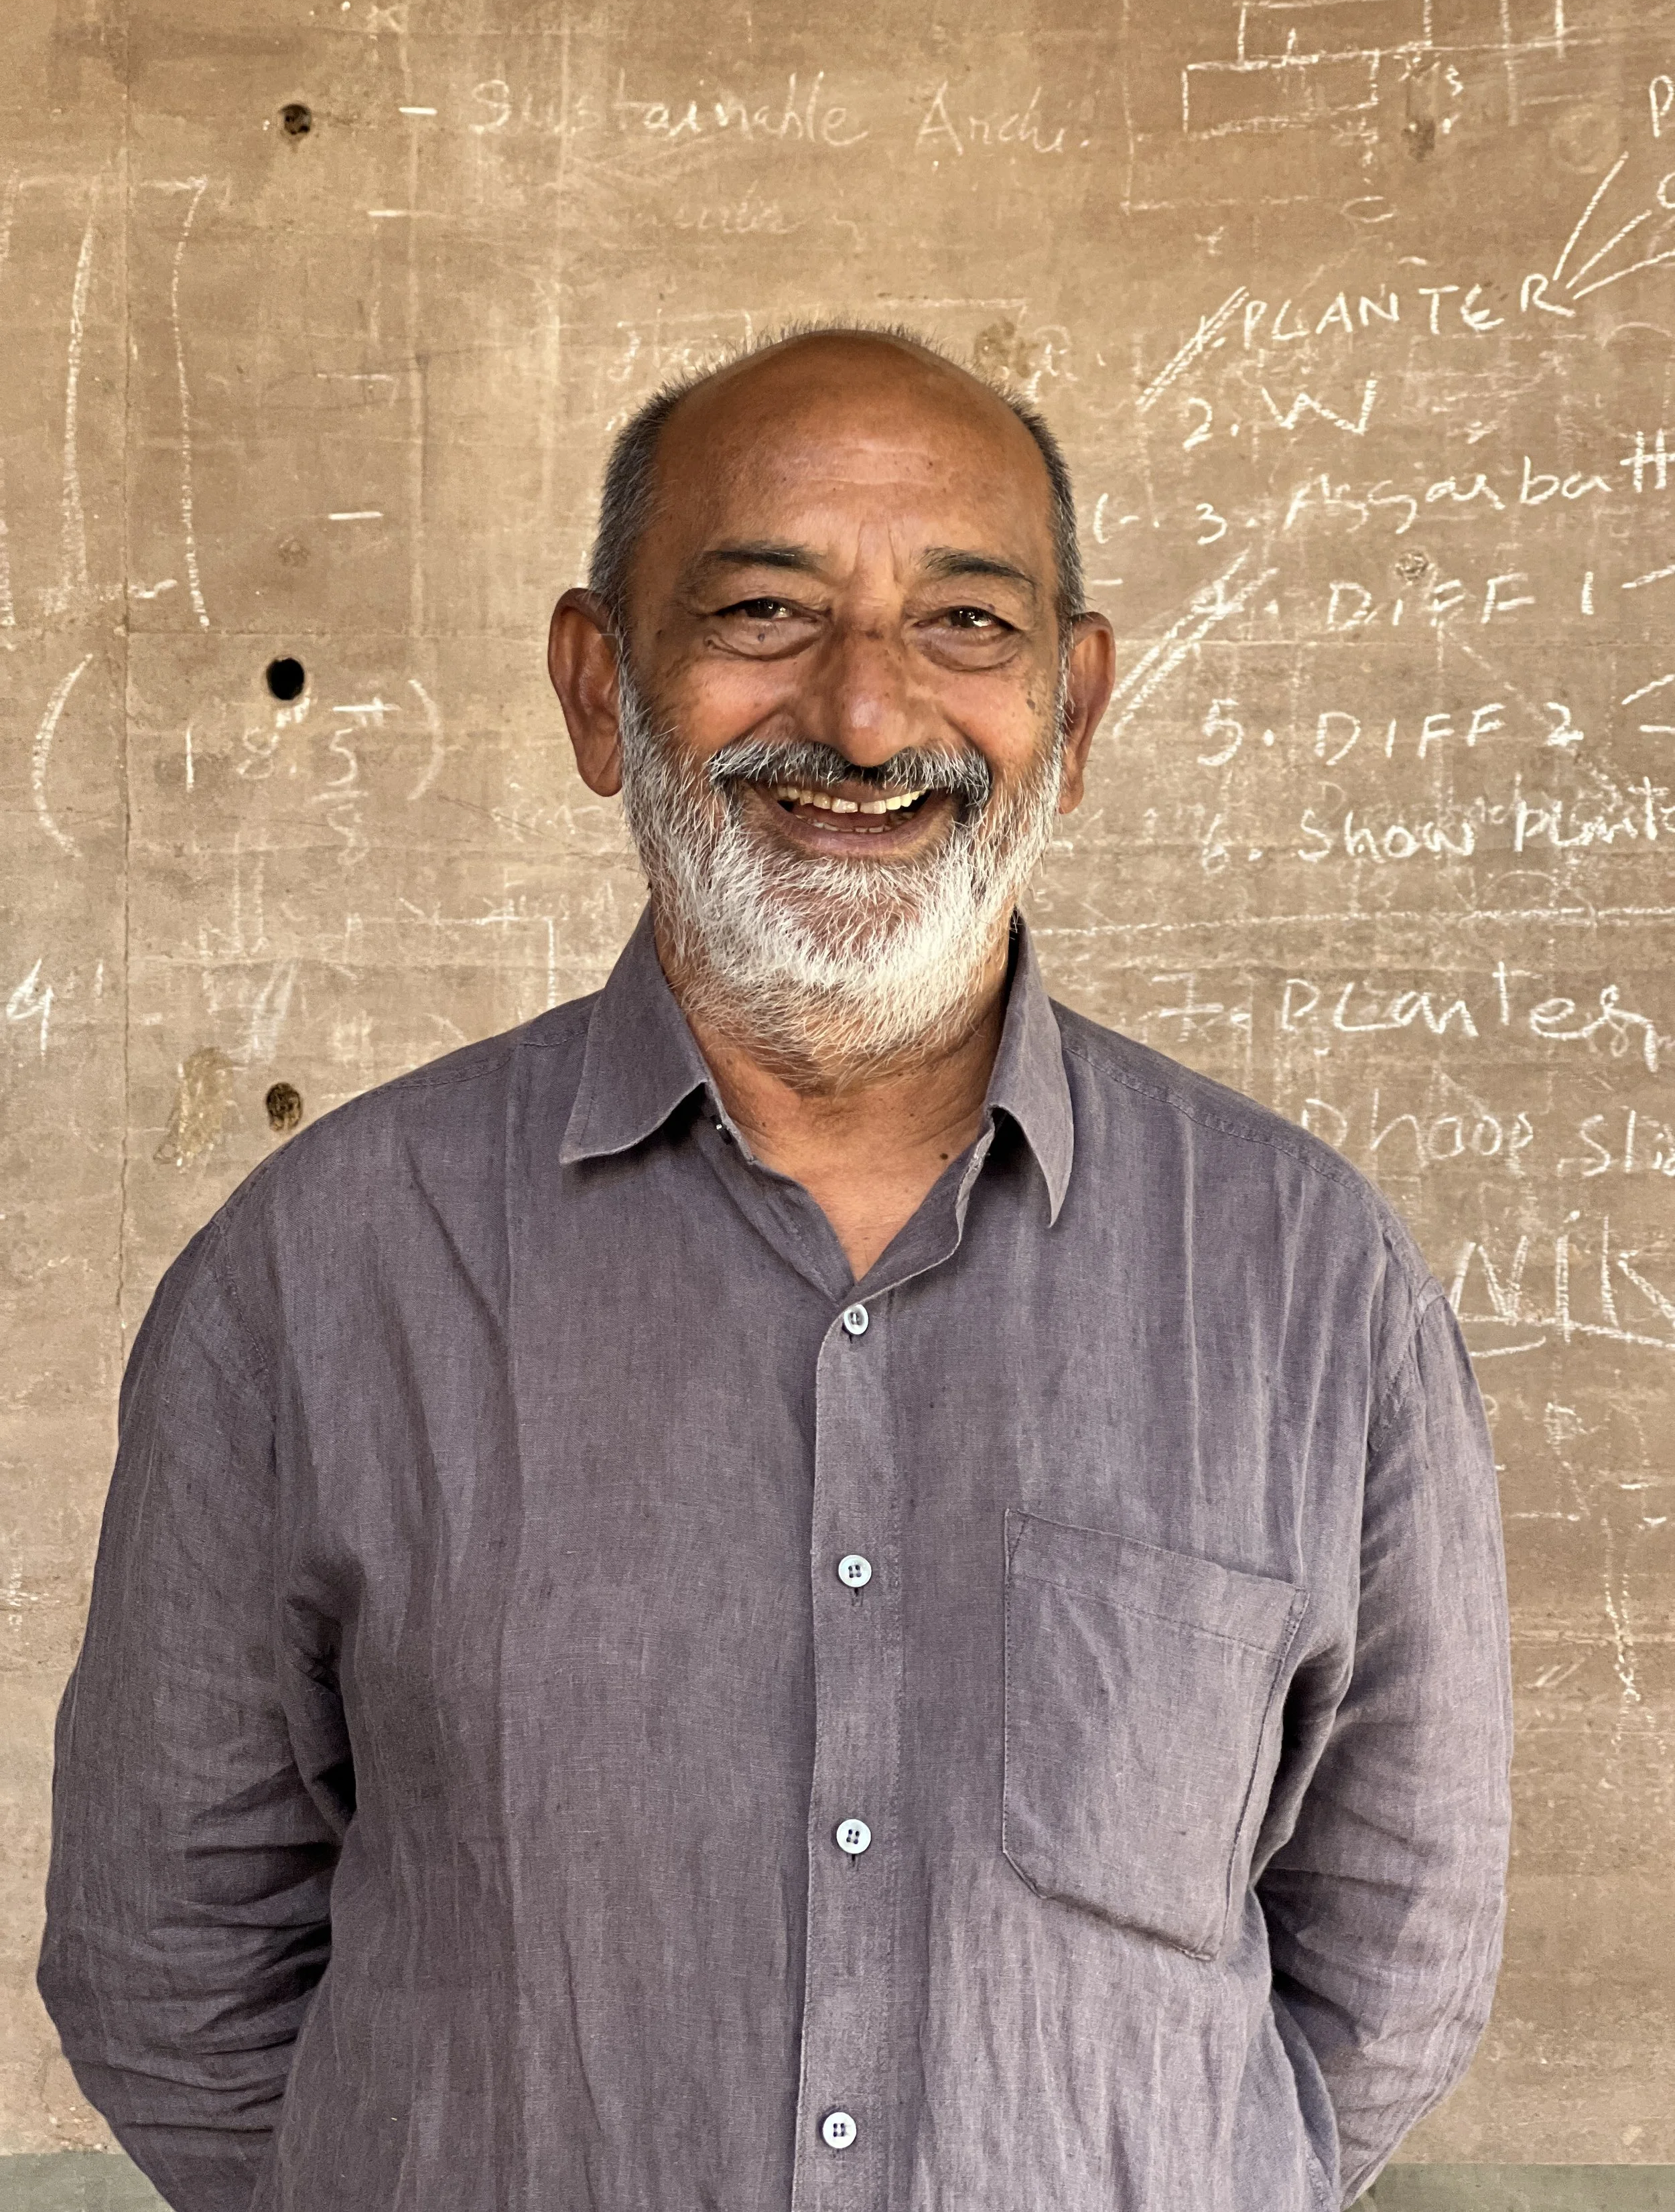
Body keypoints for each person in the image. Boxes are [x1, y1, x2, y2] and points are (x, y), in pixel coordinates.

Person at [40, 326, 1512, 2212]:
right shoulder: (324, 1270)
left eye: (964, 627)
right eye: (760, 610)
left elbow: (1389, 1954)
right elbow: (171, 1955)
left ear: (1073, 704)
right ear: (600, 690)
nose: (871, 719)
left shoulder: (1309, 1285)